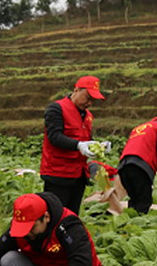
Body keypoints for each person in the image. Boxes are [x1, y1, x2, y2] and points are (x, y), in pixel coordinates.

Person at [0, 192, 102, 266]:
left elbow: (82, 265)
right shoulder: (20, 230)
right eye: (22, 228)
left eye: (31, 227)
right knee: (9, 260)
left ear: (46, 217)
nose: (26, 233)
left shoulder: (68, 225)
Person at [40, 76, 111, 214]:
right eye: (87, 98)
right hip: (58, 174)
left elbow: (85, 138)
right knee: (55, 216)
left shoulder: (88, 115)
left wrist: (98, 146)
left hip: (78, 175)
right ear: (76, 90)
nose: (89, 103)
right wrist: (79, 145)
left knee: (72, 215)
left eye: (92, 100)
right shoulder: (56, 109)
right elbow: (54, 136)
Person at [118, 116, 157, 214]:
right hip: (141, 166)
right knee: (143, 202)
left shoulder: (138, 128)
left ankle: (129, 226)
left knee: (134, 201)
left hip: (124, 166)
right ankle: (139, 227)